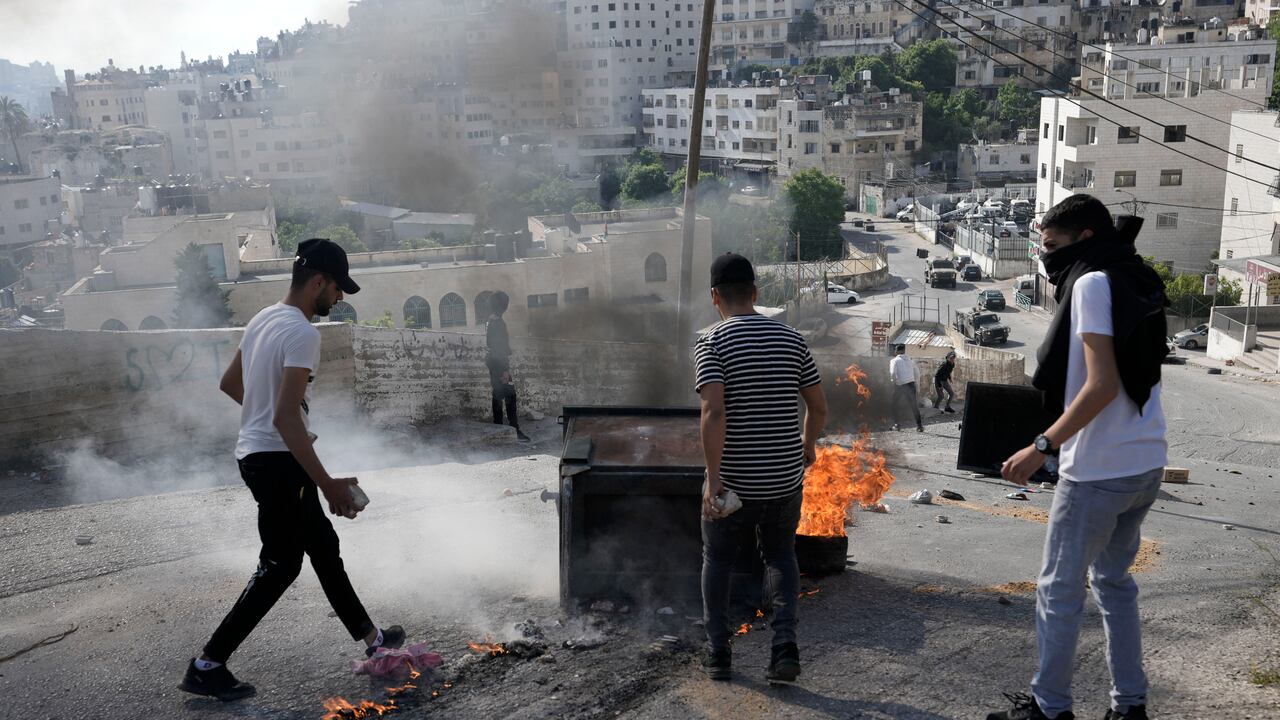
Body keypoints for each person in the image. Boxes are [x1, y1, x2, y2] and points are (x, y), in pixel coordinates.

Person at [180, 239, 404, 702]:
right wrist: (331, 486)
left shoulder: (263, 318)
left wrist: (283, 425)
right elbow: (282, 418)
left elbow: (230, 385)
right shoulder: (303, 333)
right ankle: (207, 664)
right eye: (338, 289)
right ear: (318, 281)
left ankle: (373, 640)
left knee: (323, 545)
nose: (339, 299)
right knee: (280, 566)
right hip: (277, 463)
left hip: (262, 456)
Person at [987, 195, 1168, 720]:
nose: (1046, 257)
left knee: (1058, 591)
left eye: (1051, 246)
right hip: (1146, 458)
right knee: (1114, 584)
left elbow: (1102, 386)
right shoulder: (1135, 274)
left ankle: (1049, 708)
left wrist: (1042, 445)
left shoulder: (1092, 283)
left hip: (1098, 467)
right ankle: (1129, 706)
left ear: (1084, 238)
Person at [695, 252, 828, 686]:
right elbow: (819, 407)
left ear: (715, 296)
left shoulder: (712, 342)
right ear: (755, 293)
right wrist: (806, 448)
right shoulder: (791, 338)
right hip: (783, 480)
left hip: (735, 482)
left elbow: (714, 412)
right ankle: (784, 647)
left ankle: (718, 653)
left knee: (717, 559)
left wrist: (713, 482)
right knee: (781, 555)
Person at [485, 290, 530, 443]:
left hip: (492, 362)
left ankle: (498, 428)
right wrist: (505, 370)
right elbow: (499, 348)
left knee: (498, 394)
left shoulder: (490, 321)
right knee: (510, 395)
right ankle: (514, 429)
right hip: (499, 363)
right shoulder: (498, 324)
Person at [889, 344, 924, 432]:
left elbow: (893, 372)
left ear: (897, 351)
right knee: (913, 406)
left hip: (900, 385)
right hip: (911, 385)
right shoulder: (910, 360)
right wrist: (917, 385)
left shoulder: (895, 360)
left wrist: (894, 381)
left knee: (895, 405)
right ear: (904, 351)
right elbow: (917, 373)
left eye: (895, 350)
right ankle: (920, 426)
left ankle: (897, 425)